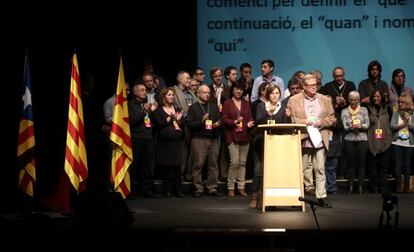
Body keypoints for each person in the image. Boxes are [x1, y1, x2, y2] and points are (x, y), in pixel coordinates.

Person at [287, 74, 335, 207]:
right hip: (304, 138)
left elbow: (332, 118)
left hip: (319, 138)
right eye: (311, 85)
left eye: (316, 84)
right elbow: (291, 119)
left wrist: (320, 122)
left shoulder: (324, 99)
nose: (314, 87)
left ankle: (322, 197)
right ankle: (297, 197)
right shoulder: (294, 100)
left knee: (320, 168)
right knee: (301, 169)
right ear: (303, 86)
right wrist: (304, 121)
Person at [250, 84, 290, 209]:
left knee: (274, 170)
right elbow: (258, 121)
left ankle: (272, 197)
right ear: (268, 95)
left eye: (277, 93)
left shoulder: (283, 107)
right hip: (261, 141)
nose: (275, 95)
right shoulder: (261, 106)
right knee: (258, 170)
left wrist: (288, 117)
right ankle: (255, 197)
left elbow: (285, 126)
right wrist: (269, 113)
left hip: (276, 143)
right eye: (272, 93)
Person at [186, 85, 223, 197]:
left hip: (213, 138)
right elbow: (189, 124)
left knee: (213, 165)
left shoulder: (214, 107)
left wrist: (217, 124)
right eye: (204, 93)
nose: (207, 94)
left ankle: (212, 188)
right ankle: (198, 189)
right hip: (199, 139)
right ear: (198, 94)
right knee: (198, 165)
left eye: (208, 93)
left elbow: (218, 121)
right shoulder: (193, 108)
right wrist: (201, 121)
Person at [222, 82, 255, 197]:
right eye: (236, 89)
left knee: (242, 162)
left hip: (245, 135)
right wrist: (234, 122)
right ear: (232, 90)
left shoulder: (246, 103)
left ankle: (241, 186)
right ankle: (231, 187)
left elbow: (250, 117)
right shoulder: (227, 103)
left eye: (240, 89)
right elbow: (224, 119)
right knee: (234, 162)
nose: (239, 91)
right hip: (232, 135)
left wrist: (250, 123)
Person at [153, 87, 185, 198]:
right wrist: (170, 118)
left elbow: (183, 125)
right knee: (166, 168)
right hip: (164, 143)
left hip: (176, 142)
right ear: (164, 97)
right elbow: (157, 125)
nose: (171, 97)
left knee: (177, 167)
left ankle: (179, 190)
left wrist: (180, 120)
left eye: (172, 95)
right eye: (169, 95)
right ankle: (168, 190)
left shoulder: (177, 108)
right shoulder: (159, 110)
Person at [128, 81, 158, 198]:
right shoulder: (130, 105)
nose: (144, 92)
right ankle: (133, 190)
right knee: (135, 164)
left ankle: (147, 189)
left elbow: (153, 123)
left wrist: (153, 112)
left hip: (148, 137)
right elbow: (132, 121)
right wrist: (144, 111)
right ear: (135, 92)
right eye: (142, 90)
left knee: (148, 164)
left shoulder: (148, 104)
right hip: (136, 137)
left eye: (145, 90)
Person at [341, 91, 369, 194]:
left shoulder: (364, 110)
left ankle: (360, 187)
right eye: (351, 100)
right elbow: (344, 127)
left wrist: (360, 126)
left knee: (361, 163)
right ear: (348, 100)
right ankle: (351, 186)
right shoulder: (344, 111)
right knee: (351, 164)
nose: (353, 102)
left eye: (355, 100)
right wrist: (351, 126)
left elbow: (367, 124)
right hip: (349, 139)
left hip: (362, 139)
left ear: (358, 100)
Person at [367, 89, 392, 194]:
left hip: (385, 140)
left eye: (378, 96)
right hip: (372, 141)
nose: (375, 98)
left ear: (381, 97)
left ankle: (382, 187)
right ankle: (374, 188)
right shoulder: (368, 109)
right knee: (372, 167)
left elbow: (391, 124)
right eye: (374, 96)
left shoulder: (388, 109)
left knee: (383, 167)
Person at [390, 95, 414, 193]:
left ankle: (407, 187)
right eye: (399, 102)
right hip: (397, 142)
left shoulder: (413, 114)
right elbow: (392, 126)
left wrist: (408, 123)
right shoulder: (396, 113)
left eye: (402, 102)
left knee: (407, 165)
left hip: (409, 143)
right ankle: (399, 186)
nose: (400, 104)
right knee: (398, 165)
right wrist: (402, 124)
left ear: (408, 103)